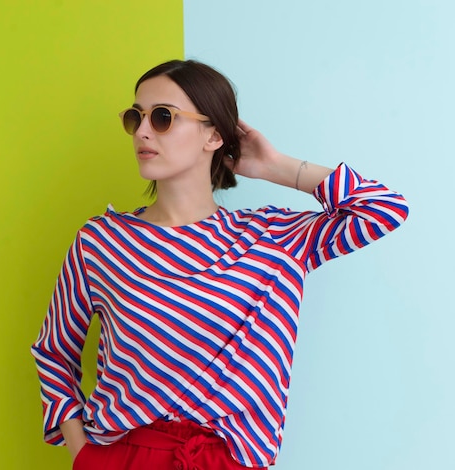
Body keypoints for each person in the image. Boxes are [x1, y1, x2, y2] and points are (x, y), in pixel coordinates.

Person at [31, 59, 409, 470]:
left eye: (162, 118)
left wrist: (275, 166)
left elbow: (382, 209)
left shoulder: (276, 238)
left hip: (230, 459)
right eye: (134, 117)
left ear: (213, 135)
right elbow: (54, 352)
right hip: (126, 456)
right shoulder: (102, 241)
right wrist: (84, 456)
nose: (141, 130)